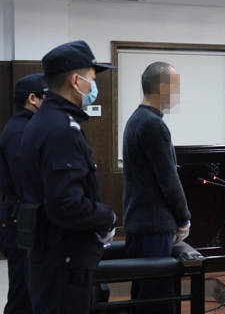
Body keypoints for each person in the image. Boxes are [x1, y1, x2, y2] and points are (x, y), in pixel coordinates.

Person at [19, 41, 117, 314]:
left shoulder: (44, 120)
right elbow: (66, 204)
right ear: (76, 81)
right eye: (92, 79)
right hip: (64, 257)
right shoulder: (61, 128)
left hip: (52, 253)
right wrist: (107, 218)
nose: (93, 87)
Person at [123, 62, 191, 314]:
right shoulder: (153, 124)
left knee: (143, 296)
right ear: (163, 87)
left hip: (139, 222)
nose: (178, 94)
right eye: (176, 87)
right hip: (154, 225)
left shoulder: (136, 119)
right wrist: (183, 218)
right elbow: (168, 179)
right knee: (157, 301)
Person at [0, 74, 47, 314]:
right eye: (47, 96)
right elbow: (26, 182)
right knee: (23, 295)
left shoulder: (26, 125)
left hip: (23, 218)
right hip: (21, 222)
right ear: (33, 99)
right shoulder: (21, 130)